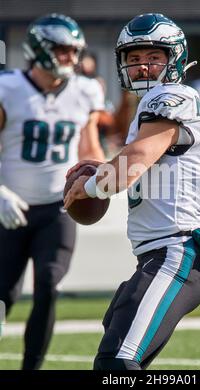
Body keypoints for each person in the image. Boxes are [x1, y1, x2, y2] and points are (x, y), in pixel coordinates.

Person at [64, 13, 200, 370]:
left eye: (154, 57)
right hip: (156, 256)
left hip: (176, 253)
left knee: (118, 365)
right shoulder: (150, 106)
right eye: (134, 59)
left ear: (175, 59)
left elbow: (132, 164)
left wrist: (88, 186)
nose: (142, 67)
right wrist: (99, 171)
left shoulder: (171, 97)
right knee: (114, 360)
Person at [0, 13, 105, 370]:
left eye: (74, 51)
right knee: (4, 295)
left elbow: (89, 148)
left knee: (49, 283)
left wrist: (102, 180)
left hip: (57, 208)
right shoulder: (8, 87)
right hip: (8, 207)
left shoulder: (86, 89)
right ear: (40, 50)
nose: (71, 58)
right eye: (62, 50)